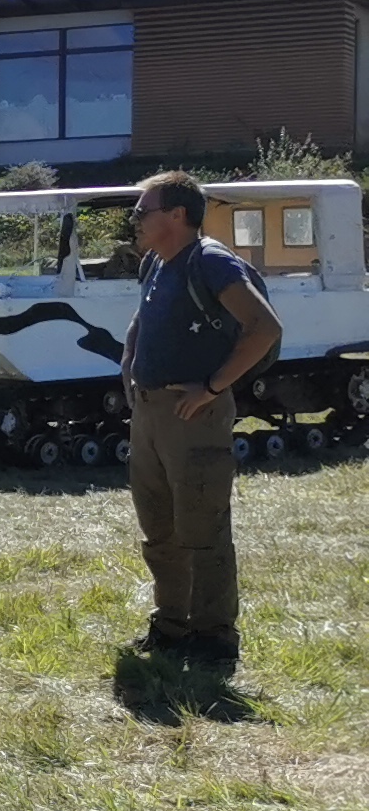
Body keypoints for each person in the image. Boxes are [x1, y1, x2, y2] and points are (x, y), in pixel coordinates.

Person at [121, 169, 281, 672]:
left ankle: (214, 638)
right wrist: (130, 367)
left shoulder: (210, 261)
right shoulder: (155, 261)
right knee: (159, 528)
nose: (135, 219)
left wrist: (212, 387)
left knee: (203, 526)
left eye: (142, 211)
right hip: (150, 413)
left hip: (194, 415)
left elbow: (264, 328)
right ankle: (171, 626)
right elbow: (143, 320)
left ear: (177, 215)